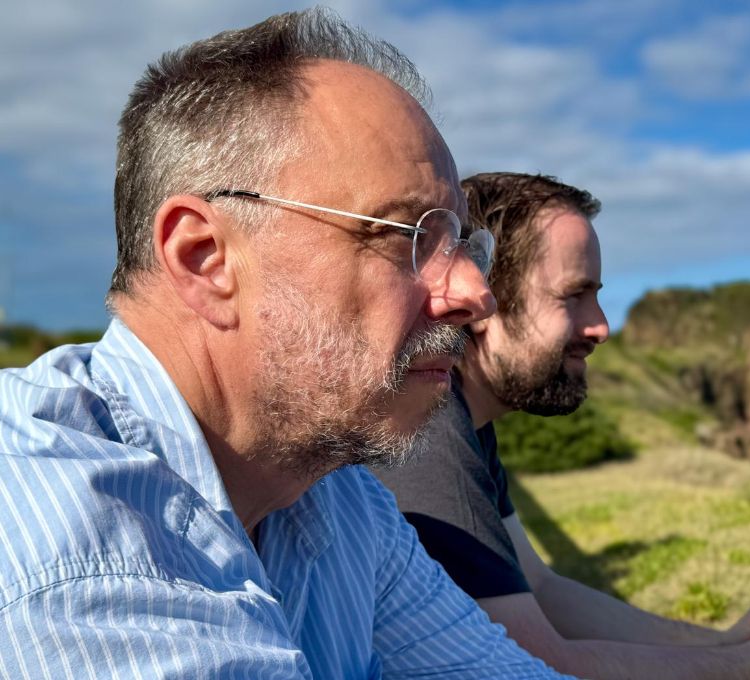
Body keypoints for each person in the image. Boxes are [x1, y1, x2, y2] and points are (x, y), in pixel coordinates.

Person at [0, 12, 573, 678]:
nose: (476, 293)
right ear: (205, 259)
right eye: (405, 235)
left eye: (463, 244)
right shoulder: (76, 560)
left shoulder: (338, 497)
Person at [374, 172, 750, 680]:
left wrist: (729, 641)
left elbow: (542, 590)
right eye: (573, 295)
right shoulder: (430, 431)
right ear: (484, 298)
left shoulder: (464, 418)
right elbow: (536, 667)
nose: (600, 326)